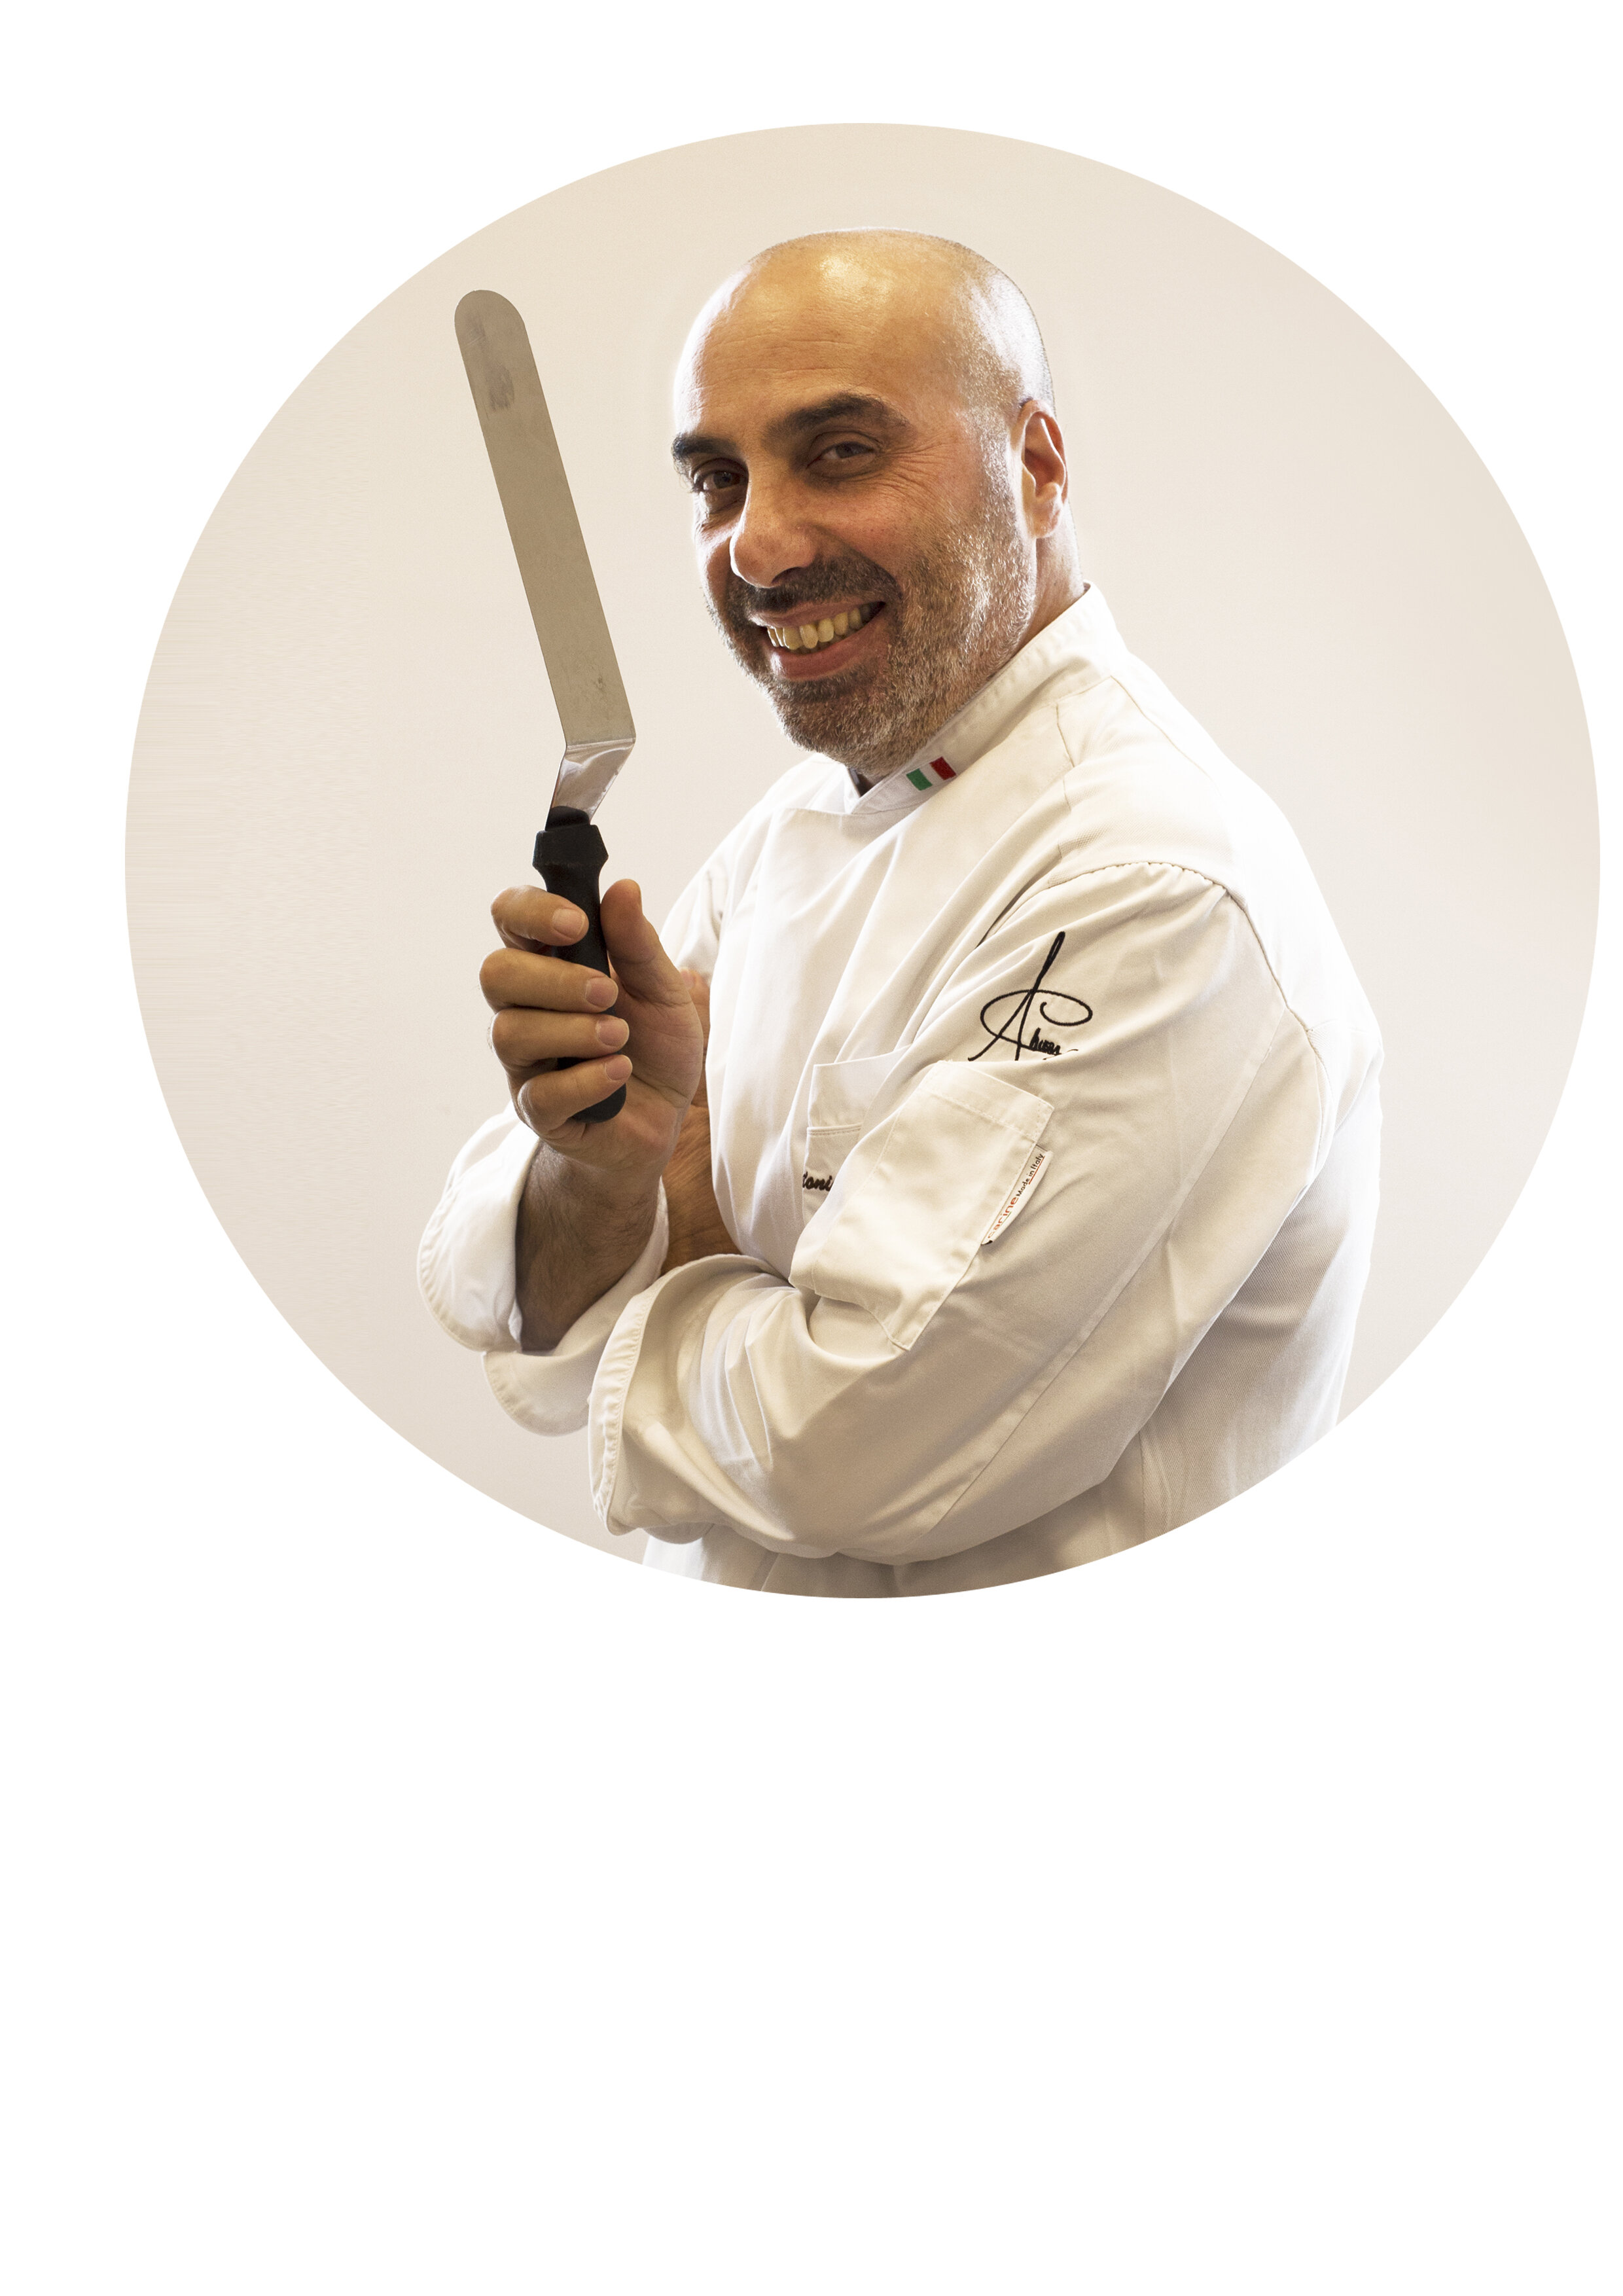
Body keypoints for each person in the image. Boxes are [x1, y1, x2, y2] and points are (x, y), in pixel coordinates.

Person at [418, 228, 1382, 1597]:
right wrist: (608, 1172)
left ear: (1035, 468)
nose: (757, 546)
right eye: (717, 480)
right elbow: (519, 1296)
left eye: (840, 453)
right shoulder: (803, 826)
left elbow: (849, 1450)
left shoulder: (1152, 880)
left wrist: (678, 1237)